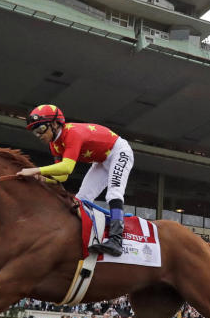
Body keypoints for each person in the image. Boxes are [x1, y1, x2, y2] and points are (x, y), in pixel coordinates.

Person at [17, 104, 134, 257]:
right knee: (81, 200)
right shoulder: (54, 145)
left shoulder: (72, 133)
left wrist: (36, 170)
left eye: (40, 130)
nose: (39, 135)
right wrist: (42, 178)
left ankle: (116, 240)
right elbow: (63, 177)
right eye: (35, 132)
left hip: (119, 152)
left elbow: (67, 168)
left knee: (114, 193)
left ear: (54, 124)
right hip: (101, 160)